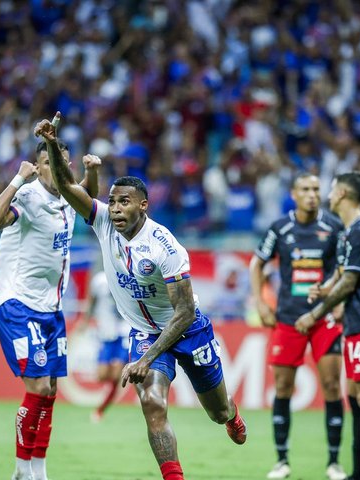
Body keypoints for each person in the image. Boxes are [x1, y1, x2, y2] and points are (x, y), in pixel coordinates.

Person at [36, 112, 247, 480]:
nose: (115, 209)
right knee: (152, 403)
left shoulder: (166, 246)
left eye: (125, 203)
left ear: (143, 206)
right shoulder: (103, 221)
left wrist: (145, 358)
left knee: (216, 412)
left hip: (188, 330)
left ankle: (231, 414)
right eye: (113, 202)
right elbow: (70, 189)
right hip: (145, 332)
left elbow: (182, 313)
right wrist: (53, 144)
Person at [0, 140, 100, 480]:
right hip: (18, 304)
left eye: (62, 163)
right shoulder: (29, 195)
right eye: (47, 163)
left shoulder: (67, 195)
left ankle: (38, 470)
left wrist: (93, 172)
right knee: (35, 389)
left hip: (52, 308)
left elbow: (88, 202)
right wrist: (17, 180)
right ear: (38, 165)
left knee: (49, 391)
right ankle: (21, 471)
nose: (54, 170)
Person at [295, 171, 360, 480]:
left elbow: (351, 281)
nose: (327, 194)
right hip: (356, 321)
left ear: (343, 195)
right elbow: (342, 273)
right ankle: (359, 471)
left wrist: (315, 313)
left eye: (332, 189)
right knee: (354, 393)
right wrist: (325, 288)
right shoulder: (352, 231)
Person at [250, 172, 347, 480]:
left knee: (332, 386)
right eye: (305, 189)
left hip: (324, 317)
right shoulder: (281, 228)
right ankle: (282, 461)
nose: (312, 194)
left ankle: (333, 462)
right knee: (282, 387)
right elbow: (257, 264)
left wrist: (340, 300)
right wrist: (261, 303)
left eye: (316, 189)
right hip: (289, 318)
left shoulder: (334, 226)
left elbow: (346, 268)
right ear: (293, 194)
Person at [79, 269, 130, 422]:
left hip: (124, 331)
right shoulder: (99, 280)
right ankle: (105, 401)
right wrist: (85, 321)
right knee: (102, 375)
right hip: (106, 332)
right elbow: (92, 302)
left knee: (117, 375)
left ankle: (101, 409)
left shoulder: (128, 277)